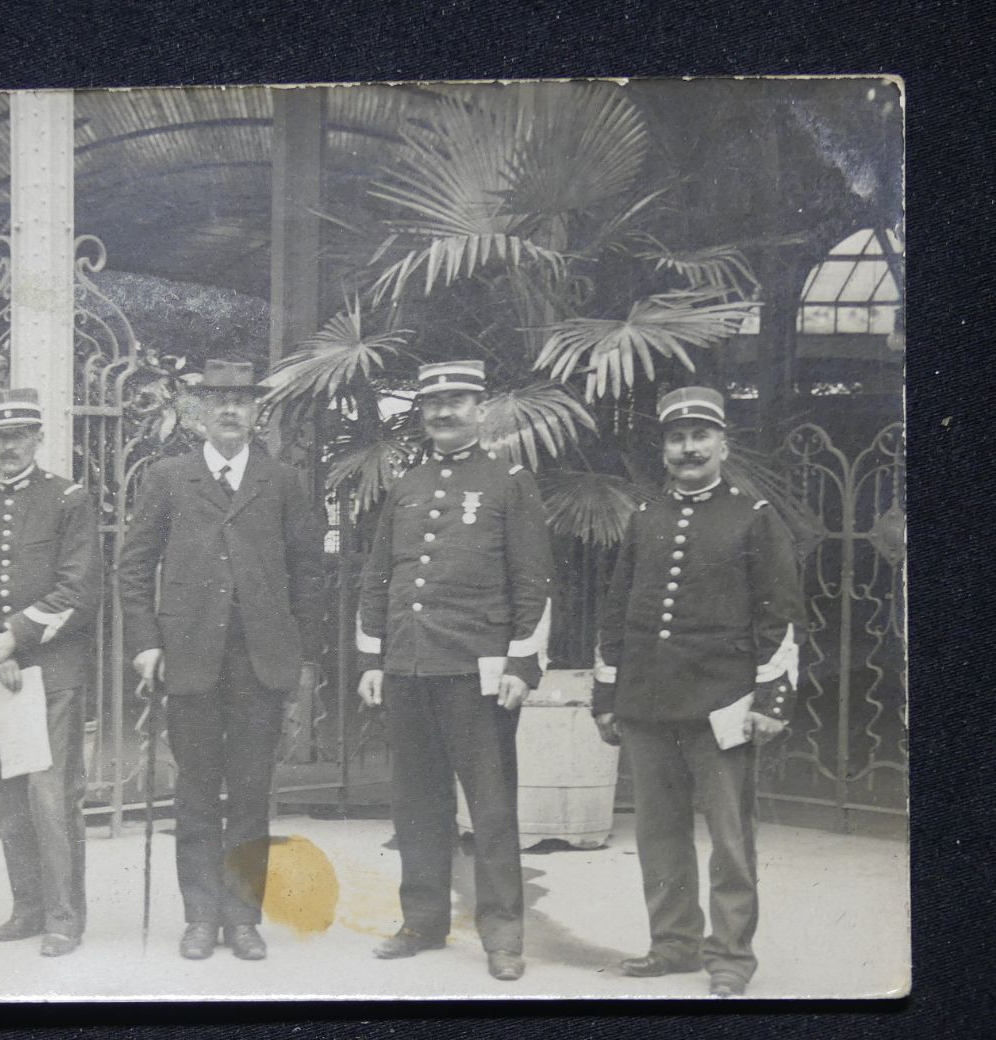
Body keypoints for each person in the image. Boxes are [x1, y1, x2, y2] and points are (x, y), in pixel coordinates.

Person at [592, 386, 803, 998]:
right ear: (665, 449)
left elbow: (781, 616)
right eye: (677, 438)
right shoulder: (645, 517)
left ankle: (731, 958)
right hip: (649, 702)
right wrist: (608, 695)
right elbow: (617, 611)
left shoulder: (754, 516)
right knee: (658, 834)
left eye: (700, 436)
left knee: (731, 841)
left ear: (722, 444)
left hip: (723, 704)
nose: (688, 448)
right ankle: (674, 943)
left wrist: (772, 700)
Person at [118, 359, 326, 961]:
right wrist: (146, 643)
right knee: (196, 790)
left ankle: (243, 919)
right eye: (218, 401)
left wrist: (301, 653)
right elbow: (133, 567)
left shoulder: (281, 480)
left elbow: (309, 571)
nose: (231, 410)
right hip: (188, 658)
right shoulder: (168, 478)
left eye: (241, 400)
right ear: (199, 413)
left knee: (252, 790)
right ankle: (200, 917)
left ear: (257, 412)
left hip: (259, 661)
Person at [356, 360, 553, 982]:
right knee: (416, 803)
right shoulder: (408, 484)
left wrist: (524, 660)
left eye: (457, 400)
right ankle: (422, 921)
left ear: (481, 407)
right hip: (410, 665)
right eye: (433, 402)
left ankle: (502, 934)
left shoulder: (511, 481)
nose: (444, 412)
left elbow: (535, 581)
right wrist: (371, 656)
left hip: (478, 671)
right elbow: (379, 574)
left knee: (491, 809)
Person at [0, 389, 102, 958]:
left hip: (50, 672)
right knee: (6, 796)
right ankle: (29, 908)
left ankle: (64, 917)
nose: (8, 447)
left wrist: (15, 635)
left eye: (18, 435)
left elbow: (79, 589)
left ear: (38, 438)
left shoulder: (69, 500)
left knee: (49, 795)